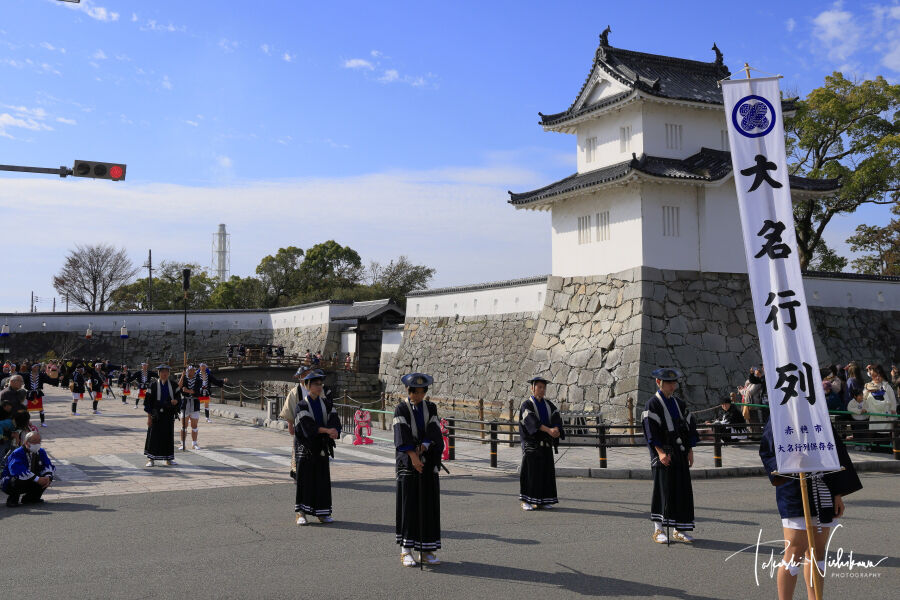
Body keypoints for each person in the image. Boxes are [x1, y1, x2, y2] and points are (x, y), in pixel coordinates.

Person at [759, 420, 862, 600]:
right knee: (794, 552)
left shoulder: (818, 412)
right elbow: (767, 451)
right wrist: (789, 461)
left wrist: (838, 493)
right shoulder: (780, 412)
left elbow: (835, 450)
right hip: (793, 488)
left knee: (818, 552)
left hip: (824, 486)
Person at [642, 367, 699, 544]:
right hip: (663, 452)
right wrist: (660, 452)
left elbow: (689, 427)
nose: (672, 386)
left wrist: (690, 450)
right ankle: (658, 529)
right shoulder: (652, 404)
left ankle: (679, 529)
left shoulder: (679, 404)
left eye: (674, 382)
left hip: (680, 452)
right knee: (663, 491)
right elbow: (650, 430)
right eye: (668, 383)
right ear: (659, 382)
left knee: (682, 490)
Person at [394, 372, 444, 567]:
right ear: (408, 390)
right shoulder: (401, 409)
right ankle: (406, 550)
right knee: (409, 506)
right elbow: (401, 435)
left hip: (427, 460)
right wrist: (413, 456)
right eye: (415, 392)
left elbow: (434, 431)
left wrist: (425, 445)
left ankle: (426, 549)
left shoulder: (430, 407)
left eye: (422, 392)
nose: (418, 396)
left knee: (428, 506)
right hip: (408, 462)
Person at [293, 369, 341, 525]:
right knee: (305, 480)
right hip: (306, 447)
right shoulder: (301, 405)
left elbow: (334, 420)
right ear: (307, 386)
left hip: (321, 446)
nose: (319, 387)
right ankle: (301, 513)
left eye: (321, 384)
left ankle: (323, 513)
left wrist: (335, 431)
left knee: (322, 480)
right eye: (316, 384)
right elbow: (307, 426)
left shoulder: (326, 403)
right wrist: (327, 430)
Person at [518, 376, 564, 511]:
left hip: (546, 444)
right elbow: (532, 422)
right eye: (539, 387)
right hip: (532, 443)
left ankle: (543, 501)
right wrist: (549, 430)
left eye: (544, 387)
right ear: (532, 388)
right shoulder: (526, 405)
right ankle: (526, 500)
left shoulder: (549, 405)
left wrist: (557, 429)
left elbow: (556, 417)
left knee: (546, 473)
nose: (542, 390)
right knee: (531, 474)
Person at [1, 431, 54, 507]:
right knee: (17, 478)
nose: (37, 444)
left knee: (48, 477)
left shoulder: (41, 452)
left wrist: (47, 477)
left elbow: (48, 464)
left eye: (39, 441)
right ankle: (13, 499)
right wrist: (37, 479)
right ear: (26, 442)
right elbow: (17, 470)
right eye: (34, 441)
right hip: (10, 481)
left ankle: (30, 498)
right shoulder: (17, 453)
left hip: (31, 479)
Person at [143, 364, 182, 467]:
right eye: (162, 372)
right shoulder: (153, 385)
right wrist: (149, 418)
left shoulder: (174, 385)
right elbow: (148, 403)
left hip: (168, 415)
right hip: (155, 415)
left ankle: (169, 459)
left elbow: (179, 398)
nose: (164, 374)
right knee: (153, 436)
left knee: (168, 437)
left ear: (169, 373)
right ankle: (151, 459)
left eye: (166, 372)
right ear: (159, 373)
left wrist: (176, 401)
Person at [279, 367, 312, 480]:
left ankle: (312, 473)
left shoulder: (315, 389)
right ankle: (297, 472)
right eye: (303, 375)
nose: (305, 377)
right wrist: (290, 424)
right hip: (300, 424)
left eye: (307, 375)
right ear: (300, 377)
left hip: (313, 424)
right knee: (298, 449)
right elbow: (289, 408)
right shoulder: (295, 392)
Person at [863, 364, 897, 439]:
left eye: (879, 376)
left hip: (885, 416)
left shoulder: (886, 386)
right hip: (874, 416)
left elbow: (892, 400)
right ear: (872, 376)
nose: (877, 378)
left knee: (885, 437)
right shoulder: (868, 386)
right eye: (875, 376)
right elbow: (864, 399)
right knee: (875, 437)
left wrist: (893, 410)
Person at [25, 362, 56, 427]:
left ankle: (42, 422)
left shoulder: (41, 375)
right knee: (28, 409)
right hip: (30, 393)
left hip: (38, 393)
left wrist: (55, 379)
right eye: (36, 367)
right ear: (32, 368)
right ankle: (27, 422)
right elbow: (21, 380)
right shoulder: (27, 375)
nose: (37, 368)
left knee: (41, 408)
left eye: (38, 367)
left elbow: (48, 379)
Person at [177, 365, 201, 451]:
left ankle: (194, 443)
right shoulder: (184, 379)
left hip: (195, 402)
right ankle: (182, 443)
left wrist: (188, 391)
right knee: (184, 425)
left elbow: (198, 391)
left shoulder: (198, 380)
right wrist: (182, 375)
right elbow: (179, 387)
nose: (191, 371)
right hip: (185, 402)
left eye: (193, 370)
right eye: (190, 370)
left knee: (194, 425)